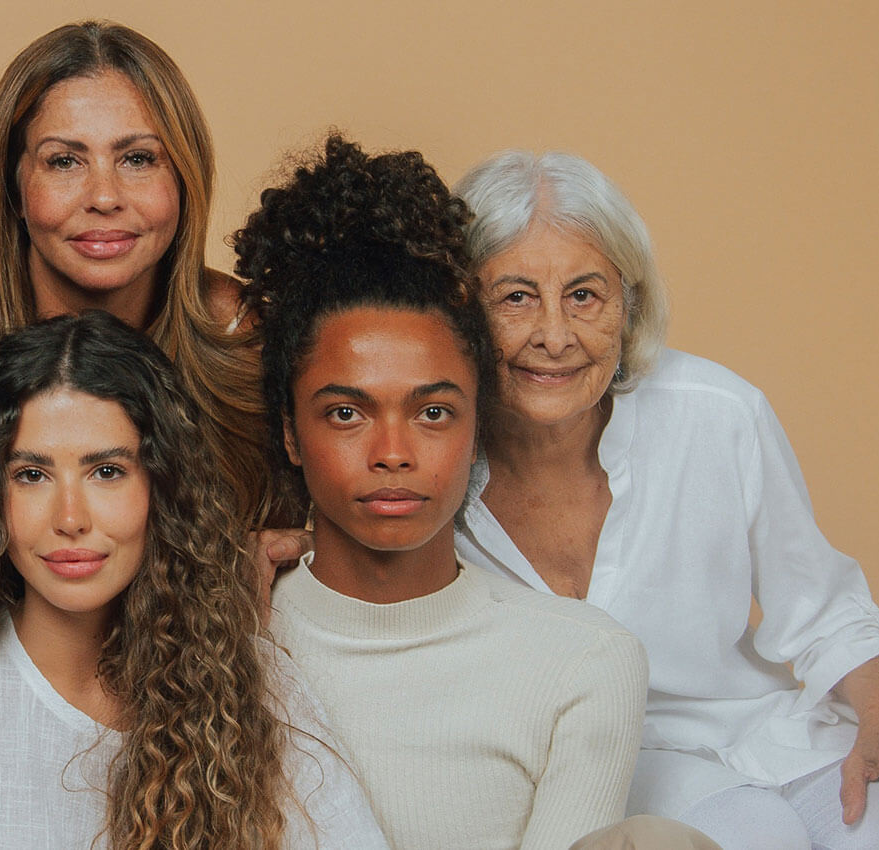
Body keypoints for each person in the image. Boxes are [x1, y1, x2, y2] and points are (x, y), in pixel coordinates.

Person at [452, 149, 879, 850]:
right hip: (614, 775)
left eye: (584, 295)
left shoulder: (718, 411)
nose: (555, 335)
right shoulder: (425, 463)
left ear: (629, 306)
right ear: (460, 309)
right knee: (757, 837)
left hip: (774, 736)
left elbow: (822, 609)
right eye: (515, 297)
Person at [0, 312, 388, 849]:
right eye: (31, 474)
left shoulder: (247, 688)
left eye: (106, 472)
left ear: (162, 487)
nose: (70, 518)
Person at [238, 131, 656, 849]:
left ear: (475, 426)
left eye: (433, 413)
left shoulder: (584, 663)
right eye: (347, 413)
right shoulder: (232, 635)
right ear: (288, 434)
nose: (394, 454)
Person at [0, 21, 274, 529]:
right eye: (64, 161)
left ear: (185, 178)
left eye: (138, 159)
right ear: (13, 187)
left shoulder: (241, 339)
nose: (104, 197)